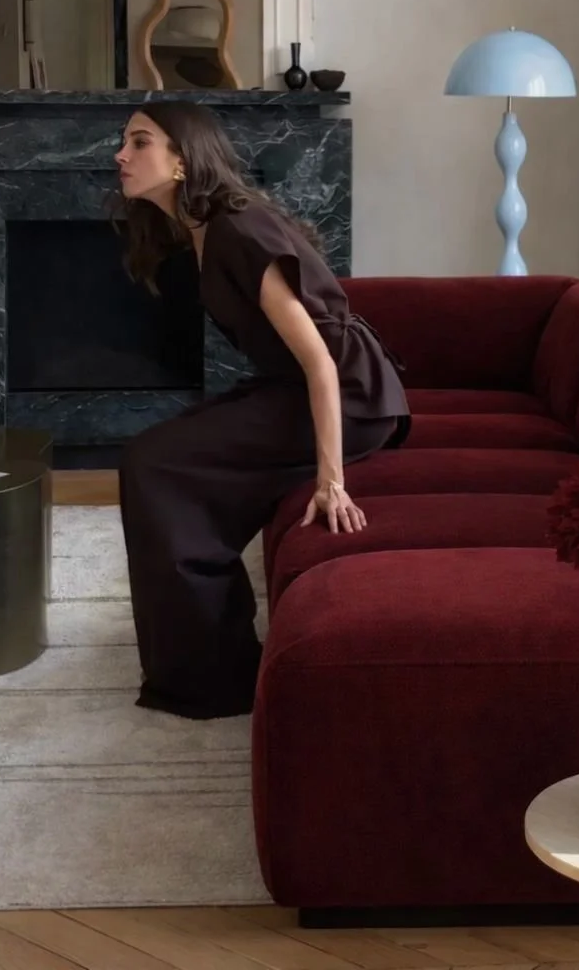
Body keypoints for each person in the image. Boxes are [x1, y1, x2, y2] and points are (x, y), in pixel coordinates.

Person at [114, 100, 410, 720]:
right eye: (124, 142)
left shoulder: (236, 232)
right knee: (160, 455)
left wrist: (332, 483)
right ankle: (205, 656)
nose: (121, 155)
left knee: (153, 463)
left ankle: (214, 675)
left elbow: (322, 364)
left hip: (351, 399)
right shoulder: (197, 229)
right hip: (289, 388)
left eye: (139, 142)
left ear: (181, 160)